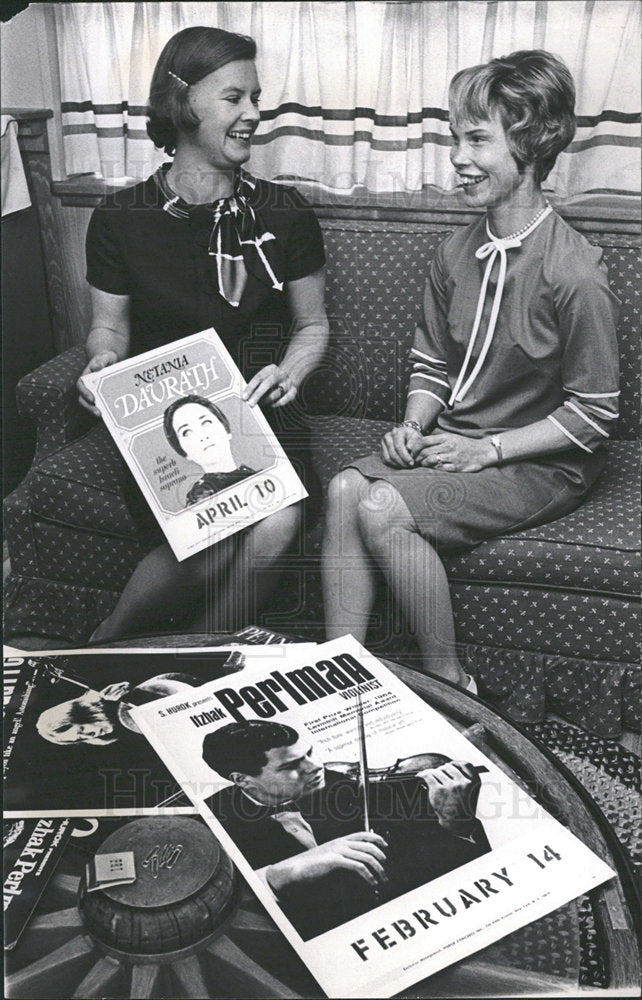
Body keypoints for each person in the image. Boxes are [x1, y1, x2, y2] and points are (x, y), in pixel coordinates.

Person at [322, 50, 619, 689]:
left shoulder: (574, 272)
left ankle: (449, 681)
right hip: (461, 435)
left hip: (543, 461)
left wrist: (487, 450)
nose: (457, 155)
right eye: (456, 137)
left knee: (379, 506)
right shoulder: (456, 251)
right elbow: (432, 359)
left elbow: (595, 414)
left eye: (477, 138)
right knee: (343, 489)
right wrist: (412, 422)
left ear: (534, 144)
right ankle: (337, 674)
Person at [78, 26, 329, 640]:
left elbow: (313, 325)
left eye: (256, 99)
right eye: (234, 98)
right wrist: (99, 366)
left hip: (260, 410)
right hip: (164, 421)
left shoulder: (286, 211)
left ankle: (197, 650)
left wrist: (291, 371)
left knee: (273, 522)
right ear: (183, 102)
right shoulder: (118, 219)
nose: (253, 115)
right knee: (211, 532)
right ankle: (107, 642)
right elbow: (107, 331)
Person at [202, 721, 490, 939]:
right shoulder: (210, 823)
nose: (316, 768)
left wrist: (456, 822)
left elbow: (439, 867)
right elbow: (215, 914)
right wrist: (277, 874)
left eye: (310, 753)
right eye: (291, 765)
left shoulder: (346, 785)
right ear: (242, 780)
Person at [163, 394, 257, 507]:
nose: (202, 436)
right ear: (183, 452)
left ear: (226, 430)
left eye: (206, 422)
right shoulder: (200, 497)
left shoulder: (256, 475)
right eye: (186, 432)